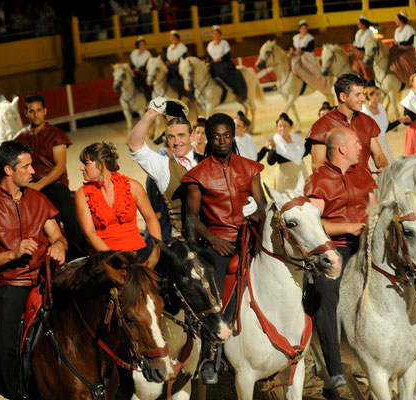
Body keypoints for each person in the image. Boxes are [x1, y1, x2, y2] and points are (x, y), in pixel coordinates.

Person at [0, 140, 67, 399]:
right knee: (2, 345)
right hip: (14, 283)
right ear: (8, 170)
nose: (33, 171)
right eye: (26, 166)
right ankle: (18, 395)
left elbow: (58, 236)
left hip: (48, 276)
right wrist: (12, 253)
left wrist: (59, 246)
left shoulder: (38, 198)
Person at [181, 112, 266, 384]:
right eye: (216, 136)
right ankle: (210, 355)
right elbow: (192, 217)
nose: (222, 141)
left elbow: (262, 204)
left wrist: (257, 212)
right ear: (208, 138)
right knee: (213, 294)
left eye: (227, 136)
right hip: (217, 240)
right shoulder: (197, 175)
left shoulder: (250, 168)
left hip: (249, 235)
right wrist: (214, 240)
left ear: (233, 136)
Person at [304, 127, 378, 390]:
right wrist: (347, 228)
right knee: (327, 295)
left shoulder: (363, 173)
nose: (361, 147)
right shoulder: (319, 180)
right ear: (342, 149)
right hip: (333, 248)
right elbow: (312, 225)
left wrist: (372, 226)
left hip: (366, 240)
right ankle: (334, 368)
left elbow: (374, 207)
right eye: (357, 143)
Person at [14, 94, 85, 260]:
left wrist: (39, 185)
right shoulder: (20, 137)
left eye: (39, 110)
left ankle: (80, 256)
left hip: (55, 185)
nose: (35, 114)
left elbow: (60, 167)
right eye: (31, 111)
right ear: (26, 113)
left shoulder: (56, 134)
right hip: (28, 186)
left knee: (70, 219)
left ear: (45, 111)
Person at [127, 97, 202, 236]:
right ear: (166, 139)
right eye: (171, 137)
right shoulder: (163, 166)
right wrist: (151, 113)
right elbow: (134, 144)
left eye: (181, 135)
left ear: (192, 136)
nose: (176, 142)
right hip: (186, 242)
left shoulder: (207, 160)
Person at [74, 142, 160, 253]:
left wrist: (157, 251)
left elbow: (151, 219)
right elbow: (90, 233)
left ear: (102, 164)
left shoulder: (133, 186)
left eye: (86, 163)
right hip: (106, 256)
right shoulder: (82, 195)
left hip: (137, 251)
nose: (81, 168)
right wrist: (115, 259)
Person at [307, 73, 388, 173]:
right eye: (358, 95)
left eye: (362, 93)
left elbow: (378, 155)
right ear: (343, 97)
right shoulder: (322, 126)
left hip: (366, 184)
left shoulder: (366, 121)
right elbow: (317, 166)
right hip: (337, 187)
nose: (363, 98)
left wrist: (384, 167)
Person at [361, 80, 411, 169]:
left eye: (380, 94)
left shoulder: (381, 108)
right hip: (372, 145)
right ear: (369, 95)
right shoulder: (363, 111)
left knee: (388, 167)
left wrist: (399, 121)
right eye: (377, 94)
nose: (380, 97)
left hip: (384, 142)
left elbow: (384, 128)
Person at [258, 112, 306, 189]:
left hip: (300, 172)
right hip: (284, 176)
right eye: (280, 126)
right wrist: (273, 149)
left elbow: (302, 154)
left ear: (290, 127)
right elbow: (270, 162)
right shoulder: (275, 142)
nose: (282, 128)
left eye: (285, 126)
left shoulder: (297, 140)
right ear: (277, 127)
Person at [207, 25, 248, 102]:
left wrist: (220, 59)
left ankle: (234, 89)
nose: (216, 35)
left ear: (220, 35)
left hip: (224, 62)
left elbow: (227, 55)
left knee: (223, 71)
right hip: (214, 64)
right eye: (214, 34)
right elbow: (209, 57)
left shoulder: (224, 43)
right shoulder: (210, 45)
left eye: (217, 34)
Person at [289, 20, 330, 94]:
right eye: (302, 28)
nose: (304, 30)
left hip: (306, 55)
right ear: (300, 29)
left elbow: (311, 48)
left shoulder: (310, 38)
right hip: (296, 54)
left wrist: (302, 49)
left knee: (309, 67)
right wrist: (292, 49)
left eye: (305, 28)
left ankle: (310, 80)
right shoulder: (296, 37)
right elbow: (293, 46)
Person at [389, 11, 416, 86]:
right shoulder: (396, 30)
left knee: (403, 59)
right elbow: (395, 40)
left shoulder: (409, 29)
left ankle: (410, 78)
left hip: (407, 49)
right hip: (398, 49)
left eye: (396, 19)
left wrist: (401, 43)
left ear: (401, 20)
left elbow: (410, 41)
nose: (395, 21)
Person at [350, 15, 374, 81]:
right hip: (356, 51)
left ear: (363, 24)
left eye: (359, 23)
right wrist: (353, 46)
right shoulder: (358, 32)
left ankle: (367, 78)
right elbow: (355, 42)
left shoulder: (369, 33)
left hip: (364, 52)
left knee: (363, 64)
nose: (358, 25)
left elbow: (367, 43)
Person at [166, 30, 188, 98]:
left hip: (179, 64)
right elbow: (168, 58)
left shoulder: (182, 46)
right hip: (171, 65)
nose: (172, 39)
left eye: (174, 38)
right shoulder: (170, 47)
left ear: (177, 39)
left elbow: (183, 57)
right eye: (171, 38)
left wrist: (175, 61)